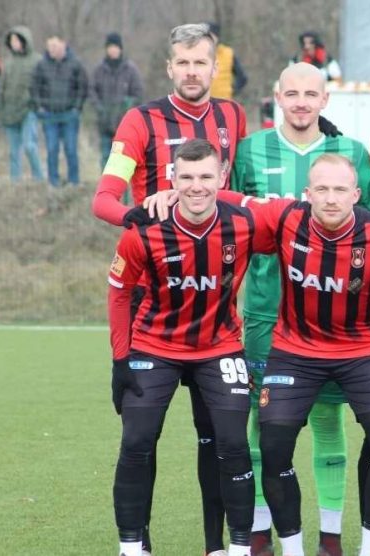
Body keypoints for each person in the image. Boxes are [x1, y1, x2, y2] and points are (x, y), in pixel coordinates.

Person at [92, 22, 248, 556]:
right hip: (152, 295)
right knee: (141, 436)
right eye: (182, 62)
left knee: (218, 437)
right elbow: (104, 198)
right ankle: (137, 542)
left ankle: (216, 544)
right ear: (168, 67)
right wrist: (138, 214)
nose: (191, 71)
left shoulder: (233, 116)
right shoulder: (140, 121)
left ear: (214, 67)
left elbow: (239, 191)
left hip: (212, 300)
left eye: (200, 62)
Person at [231, 62, 370, 556]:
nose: (301, 102)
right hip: (266, 310)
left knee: (327, 420)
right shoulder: (250, 150)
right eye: (292, 93)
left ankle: (331, 534)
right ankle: (260, 530)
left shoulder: (352, 153)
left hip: (333, 319)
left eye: (310, 93)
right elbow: (232, 220)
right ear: (278, 97)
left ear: (325, 100)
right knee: (263, 424)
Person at [107, 139, 259, 556]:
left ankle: (237, 548)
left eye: (206, 176)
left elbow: (294, 222)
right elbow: (118, 293)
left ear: (222, 177)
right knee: (136, 441)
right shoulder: (144, 231)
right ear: (172, 179)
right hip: (153, 346)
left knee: (233, 444)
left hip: (219, 347)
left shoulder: (246, 224)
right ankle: (132, 547)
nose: (197, 186)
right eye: (187, 177)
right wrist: (120, 359)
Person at [31, 34, 87, 186]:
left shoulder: (75, 64)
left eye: (54, 46)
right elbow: (34, 87)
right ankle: (53, 182)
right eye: (49, 46)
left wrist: (77, 108)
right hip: (49, 114)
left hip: (69, 114)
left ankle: (74, 181)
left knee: (71, 149)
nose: (51, 49)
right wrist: (39, 106)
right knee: (51, 149)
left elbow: (82, 87)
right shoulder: (41, 65)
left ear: (63, 44)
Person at [91, 32, 144, 170]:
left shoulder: (130, 70)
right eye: (110, 47)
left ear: (120, 48)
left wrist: (128, 107)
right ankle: (105, 184)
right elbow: (91, 91)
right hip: (104, 123)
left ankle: (122, 185)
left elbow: (138, 93)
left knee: (122, 159)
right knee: (105, 157)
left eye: (116, 47)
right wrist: (100, 109)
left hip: (124, 124)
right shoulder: (99, 70)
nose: (113, 50)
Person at [0, 25, 43, 181]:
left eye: (17, 40)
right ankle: (15, 183)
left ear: (25, 41)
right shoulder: (8, 63)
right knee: (13, 151)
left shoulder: (37, 60)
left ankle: (39, 178)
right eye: (12, 40)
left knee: (29, 145)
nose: (14, 43)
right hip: (9, 111)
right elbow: (2, 87)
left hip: (28, 110)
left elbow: (42, 85)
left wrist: (36, 104)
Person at [206, 22, 247, 100]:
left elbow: (242, 78)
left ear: (217, 36)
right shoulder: (198, 54)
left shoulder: (228, 54)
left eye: (210, 36)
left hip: (224, 100)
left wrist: (231, 91)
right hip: (203, 102)